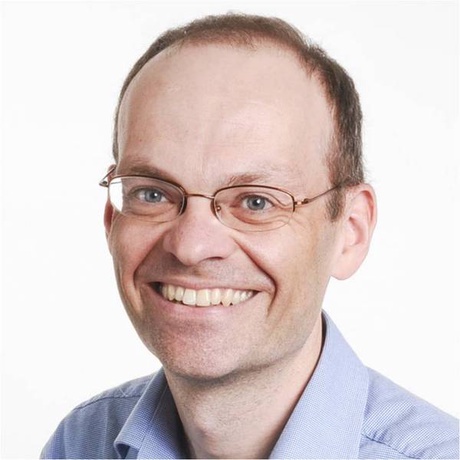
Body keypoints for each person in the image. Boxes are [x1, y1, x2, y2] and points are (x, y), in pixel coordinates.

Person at [41, 13, 458, 459]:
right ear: (112, 219)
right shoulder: (81, 444)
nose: (191, 246)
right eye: (153, 193)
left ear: (350, 232)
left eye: (256, 202)